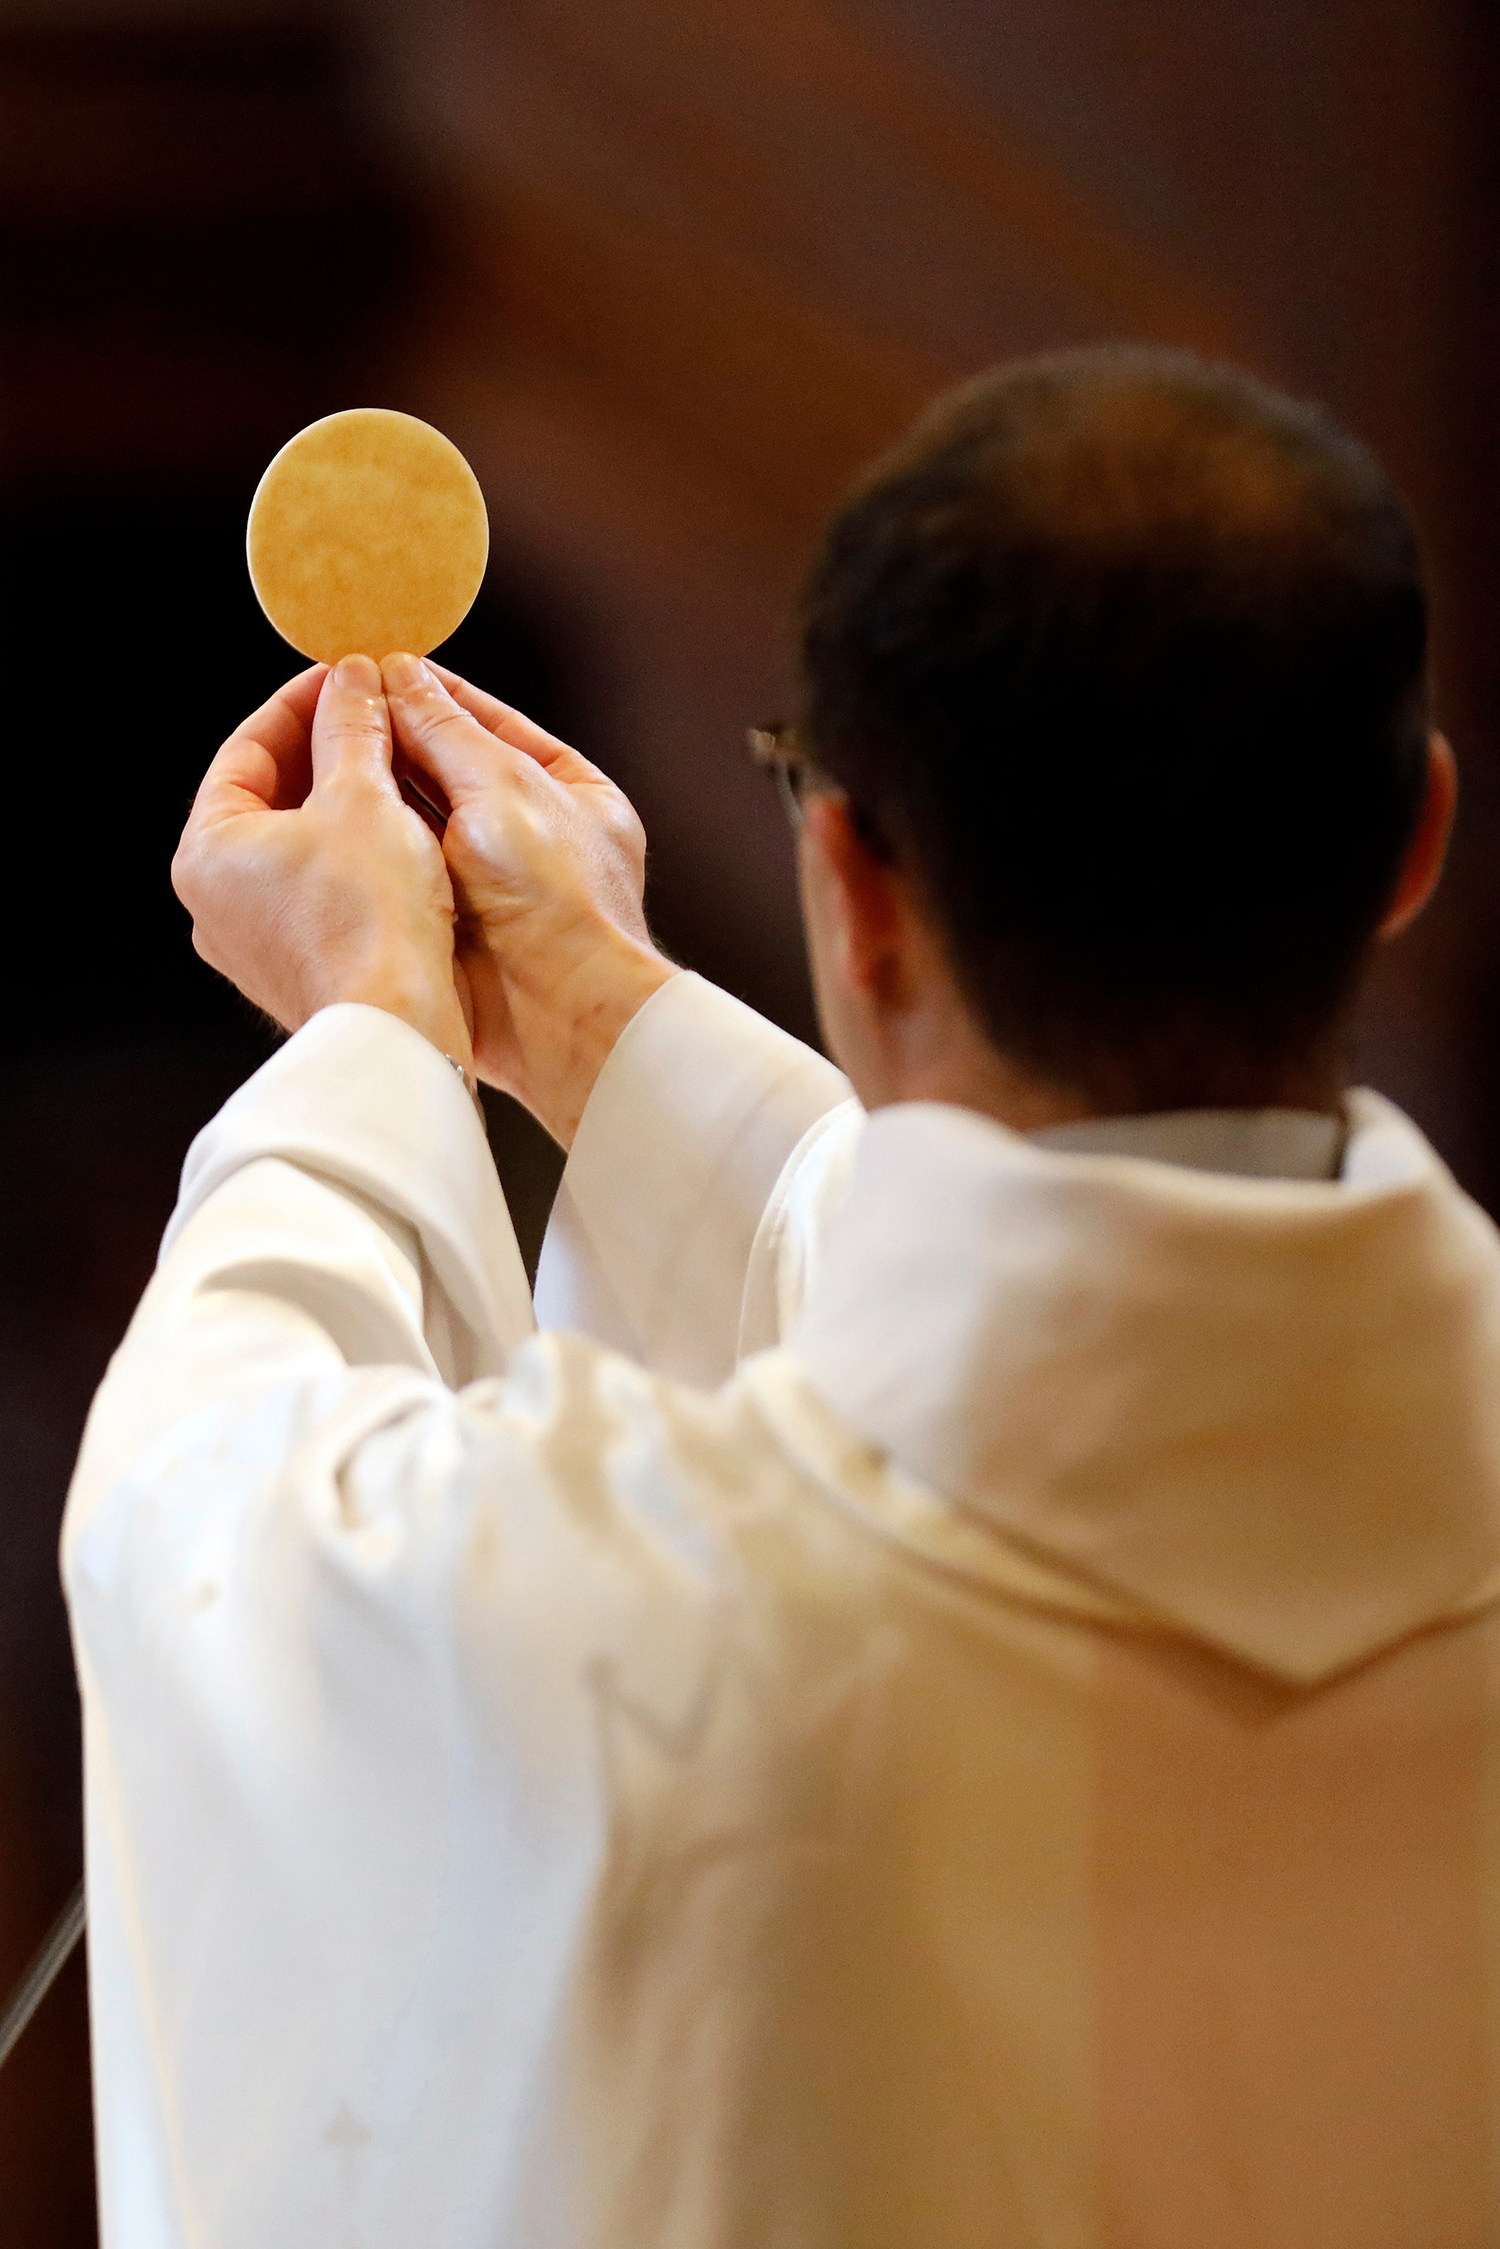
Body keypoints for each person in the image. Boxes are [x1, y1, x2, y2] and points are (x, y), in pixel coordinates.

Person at [64, 344, 1495, 2249]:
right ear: (1415, 837)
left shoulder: (600, 1644)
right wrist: (593, 1020)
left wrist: (369, 1033)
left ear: (851, 882)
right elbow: (1081, 1354)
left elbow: (209, 1536)